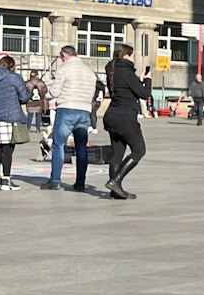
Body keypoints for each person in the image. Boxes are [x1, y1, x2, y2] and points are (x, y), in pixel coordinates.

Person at [45, 45, 97, 192]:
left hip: (67, 109)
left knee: (59, 144)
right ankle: (80, 183)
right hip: (84, 111)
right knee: (81, 147)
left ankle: (55, 180)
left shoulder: (63, 69)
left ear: (64, 55)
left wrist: (46, 92)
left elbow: (55, 92)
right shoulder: (89, 72)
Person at [101, 46, 150, 200]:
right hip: (125, 117)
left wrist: (138, 81)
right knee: (139, 150)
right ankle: (116, 181)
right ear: (127, 56)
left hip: (112, 115)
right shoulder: (127, 72)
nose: (134, 58)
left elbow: (125, 89)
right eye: (133, 55)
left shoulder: (112, 70)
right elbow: (144, 94)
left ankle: (115, 191)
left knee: (117, 154)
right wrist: (147, 80)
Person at [0, 54, 29, 191]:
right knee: (7, 150)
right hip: (10, 117)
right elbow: (24, 97)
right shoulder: (14, 78)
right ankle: (6, 180)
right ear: (11, 65)